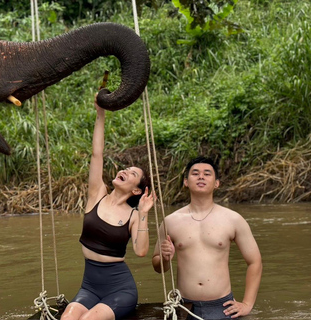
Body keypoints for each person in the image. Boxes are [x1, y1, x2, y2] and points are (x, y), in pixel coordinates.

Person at [61, 95, 155, 320]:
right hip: (90, 287)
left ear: (136, 191)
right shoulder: (97, 194)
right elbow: (97, 154)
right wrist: (100, 114)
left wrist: (143, 214)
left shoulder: (133, 216)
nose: (125, 171)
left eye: (133, 174)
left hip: (120, 290)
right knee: (68, 317)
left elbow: (141, 251)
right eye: (126, 168)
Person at [152, 156, 262, 319]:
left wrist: (247, 304)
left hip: (222, 307)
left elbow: (255, 262)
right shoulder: (170, 221)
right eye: (195, 173)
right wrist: (165, 257)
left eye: (207, 174)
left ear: (216, 183)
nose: (201, 176)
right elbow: (158, 266)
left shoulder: (233, 219)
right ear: (186, 182)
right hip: (184, 306)